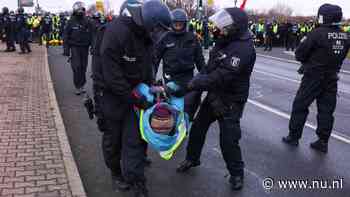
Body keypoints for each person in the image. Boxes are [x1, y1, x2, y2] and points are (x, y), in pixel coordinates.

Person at [176, 7, 256, 191]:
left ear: (234, 28)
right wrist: (196, 80)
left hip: (231, 100)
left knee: (228, 139)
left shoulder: (243, 48)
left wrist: (193, 84)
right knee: (197, 129)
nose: (218, 29)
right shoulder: (224, 41)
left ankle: (237, 174)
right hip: (215, 95)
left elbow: (222, 75)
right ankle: (192, 158)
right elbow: (210, 68)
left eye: (223, 27)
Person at [100, 0, 171, 196]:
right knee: (113, 141)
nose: (157, 35)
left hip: (135, 96)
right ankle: (115, 173)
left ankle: (136, 183)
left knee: (135, 142)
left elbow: (148, 67)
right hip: (113, 96)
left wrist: (151, 87)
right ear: (150, 23)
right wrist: (136, 98)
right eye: (157, 30)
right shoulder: (116, 32)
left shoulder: (146, 35)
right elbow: (111, 76)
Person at [282, 4, 350, 153]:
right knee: (326, 110)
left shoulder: (316, 33)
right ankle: (323, 141)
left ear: (323, 17)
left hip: (313, 76)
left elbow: (300, 54)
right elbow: (342, 55)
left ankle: (293, 137)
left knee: (300, 106)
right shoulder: (345, 35)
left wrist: (310, 61)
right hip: (332, 77)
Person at [154, 8, 205, 121]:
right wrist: (151, 76)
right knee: (174, 108)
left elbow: (200, 60)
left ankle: (185, 125)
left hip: (188, 78)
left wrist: (204, 76)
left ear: (184, 24)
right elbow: (155, 59)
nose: (177, 26)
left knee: (188, 109)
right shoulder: (165, 38)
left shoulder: (192, 38)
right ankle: (173, 127)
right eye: (175, 23)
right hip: (170, 78)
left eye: (180, 24)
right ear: (171, 23)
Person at [64, 1, 92, 95]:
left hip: (84, 48)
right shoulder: (71, 21)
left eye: (82, 9)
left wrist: (93, 47)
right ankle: (77, 86)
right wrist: (66, 50)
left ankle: (82, 84)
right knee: (76, 67)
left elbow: (92, 34)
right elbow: (66, 36)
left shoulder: (87, 21)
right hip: (74, 47)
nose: (80, 10)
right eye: (78, 8)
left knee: (83, 67)